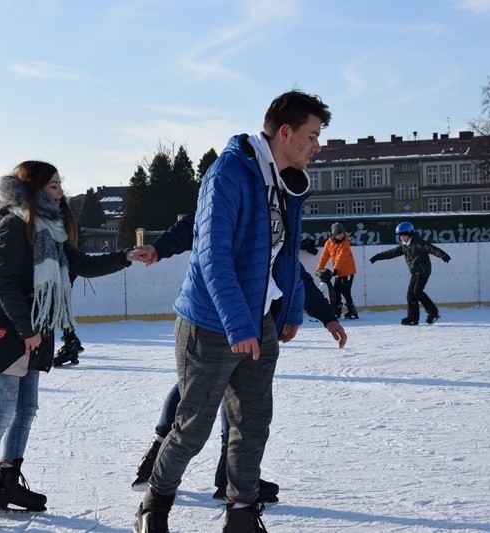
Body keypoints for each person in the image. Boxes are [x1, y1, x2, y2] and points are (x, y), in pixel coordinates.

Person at [132, 89, 347, 533]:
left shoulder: (286, 183)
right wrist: (237, 323)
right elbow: (214, 255)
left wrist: (294, 312)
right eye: (312, 135)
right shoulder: (229, 172)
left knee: (252, 427)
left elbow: (283, 257)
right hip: (212, 324)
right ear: (285, 132)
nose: (318, 146)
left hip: (259, 323)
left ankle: (242, 513)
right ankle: (154, 504)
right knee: (192, 429)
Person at [0, 161, 134, 527]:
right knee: (2, 410)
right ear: (35, 190)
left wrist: (126, 258)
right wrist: (27, 331)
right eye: (54, 186)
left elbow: (83, 265)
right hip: (8, 331)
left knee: (26, 410)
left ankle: (7, 483)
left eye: (60, 185)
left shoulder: (53, 232)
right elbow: (2, 285)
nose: (61, 192)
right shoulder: (13, 225)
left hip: (35, 329)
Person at [129, 213, 341, 505]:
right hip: (213, 319)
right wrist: (160, 248)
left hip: (254, 324)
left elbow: (294, 272)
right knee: (194, 396)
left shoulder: (278, 200)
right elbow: (194, 226)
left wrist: (325, 315)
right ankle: (156, 462)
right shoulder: (234, 184)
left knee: (240, 403)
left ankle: (227, 475)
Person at [369, 221, 451, 325]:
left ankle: (433, 313)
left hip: (423, 271)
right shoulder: (404, 246)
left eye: (403, 235)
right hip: (415, 272)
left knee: (417, 292)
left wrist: (443, 255)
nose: (401, 238)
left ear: (409, 234)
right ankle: (412, 317)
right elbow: (391, 253)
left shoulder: (418, 243)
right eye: (400, 236)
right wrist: (377, 257)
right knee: (410, 295)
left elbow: (431, 248)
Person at [316, 222, 359, 319]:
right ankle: (337, 310)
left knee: (345, 291)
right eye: (338, 234)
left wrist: (335, 269)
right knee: (336, 291)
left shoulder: (345, 243)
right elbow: (324, 257)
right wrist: (319, 269)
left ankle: (352, 311)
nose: (340, 236)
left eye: (342, 233)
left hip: (348, 271)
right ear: (333, 234)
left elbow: (341, 257)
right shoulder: (329, 243)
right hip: (339, 272)